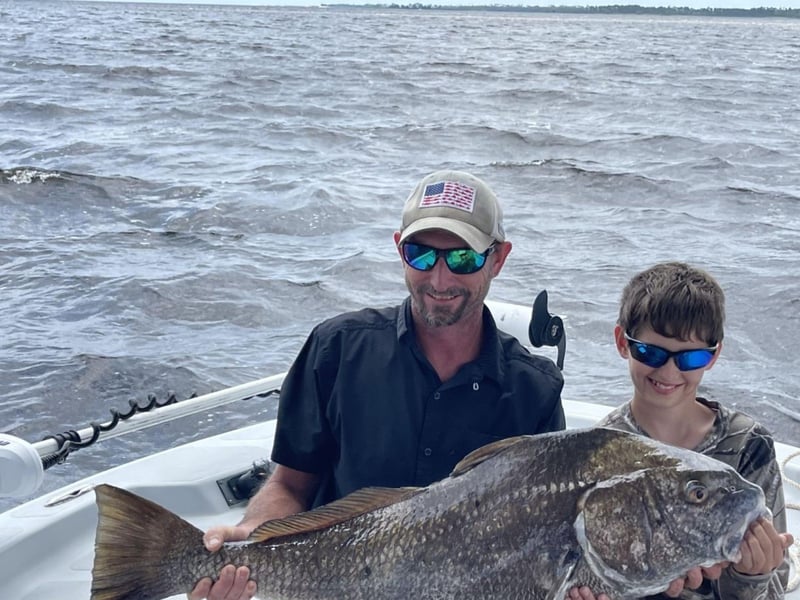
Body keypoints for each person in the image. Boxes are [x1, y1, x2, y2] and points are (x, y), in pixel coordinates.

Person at [189, 169, 566, 600]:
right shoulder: (336, 349)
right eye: (421, 255)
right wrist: (247, 541)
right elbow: (290, 486)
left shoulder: (535, 393)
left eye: (464, 258)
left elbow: (539, 537)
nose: (439, 280)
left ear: (498, 259)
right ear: (399, 250)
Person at [594, 261, 793, 600]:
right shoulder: (599, 451)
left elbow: (774, 587)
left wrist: (751, 575)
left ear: (714, 355)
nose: (669, 371)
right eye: (650, 352)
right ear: (622, 342)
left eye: (690, 359)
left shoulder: (747, 446)